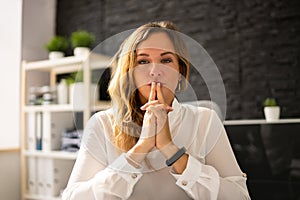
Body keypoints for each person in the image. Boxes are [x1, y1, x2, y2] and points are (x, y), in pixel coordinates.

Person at [62, 21, 250, 200]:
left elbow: (240, 196)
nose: (154, 71)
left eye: (166, 60)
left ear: (181, 73)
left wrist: (171, 150)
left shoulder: (205, 120)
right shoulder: (102, 124)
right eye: (143, 61)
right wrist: (139, 149)